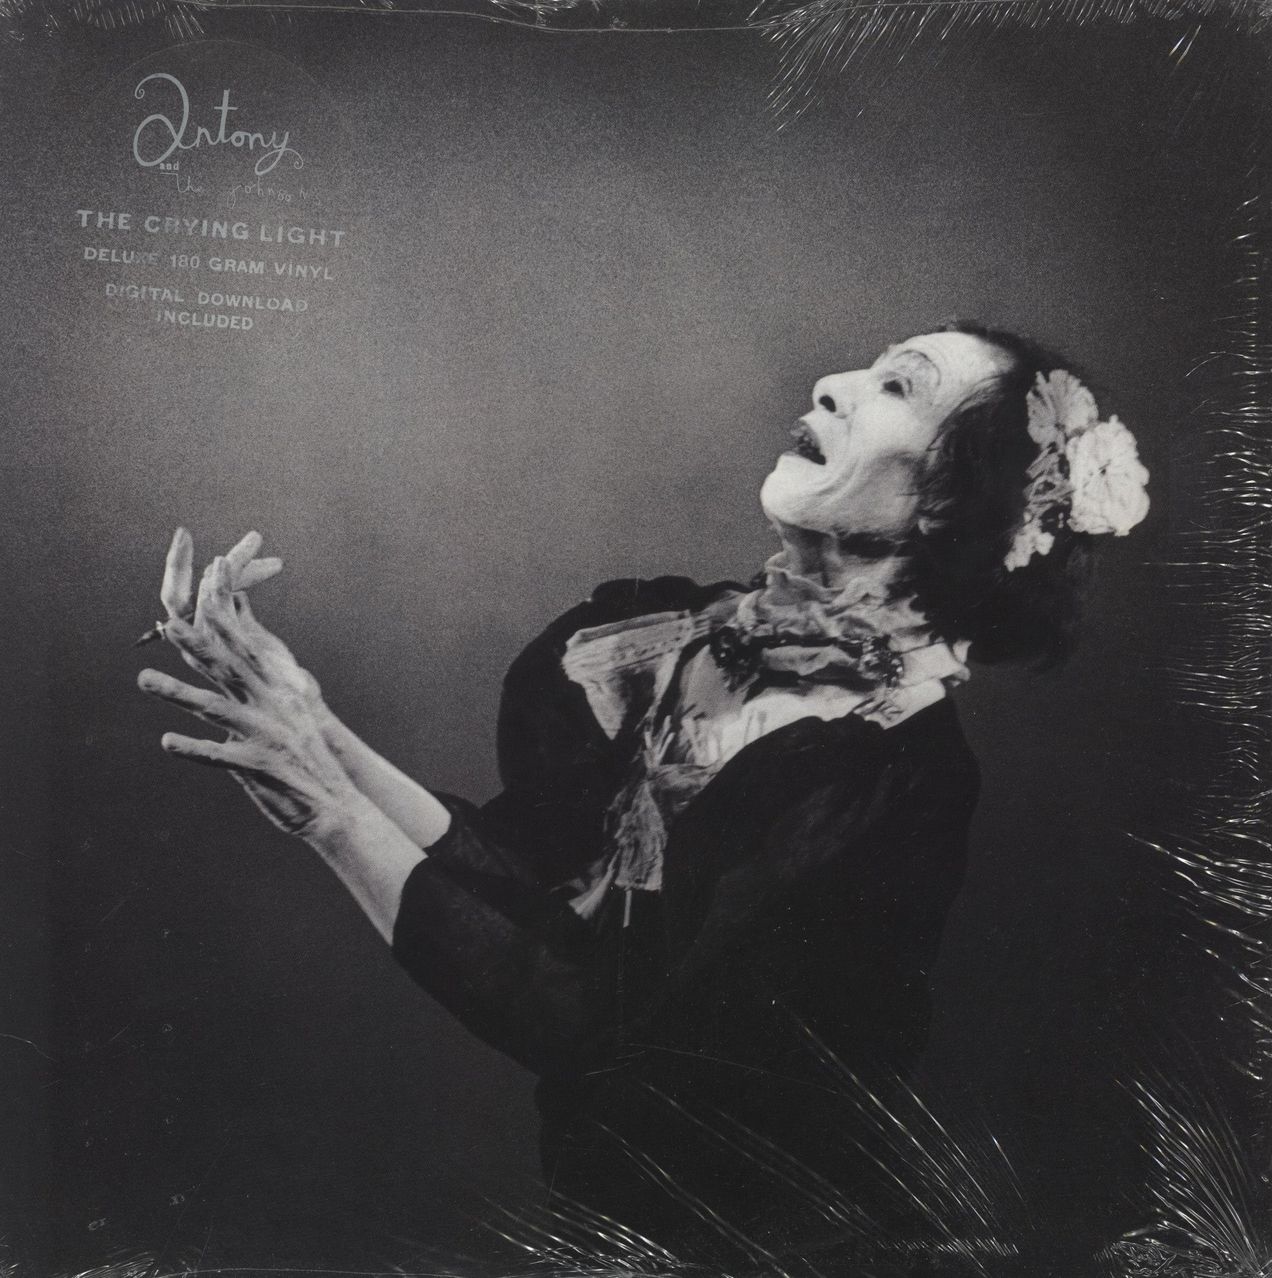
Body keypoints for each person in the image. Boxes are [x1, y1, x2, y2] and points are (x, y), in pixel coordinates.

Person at [136, 322, 1149, 1259]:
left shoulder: (887, 770)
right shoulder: (692, 641)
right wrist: (312, 723)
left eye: (897, 388)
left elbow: (595, 1026)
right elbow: (538, 891)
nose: (832, 385)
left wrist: (330, 809)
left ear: (945, 503)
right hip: (604, 1215)